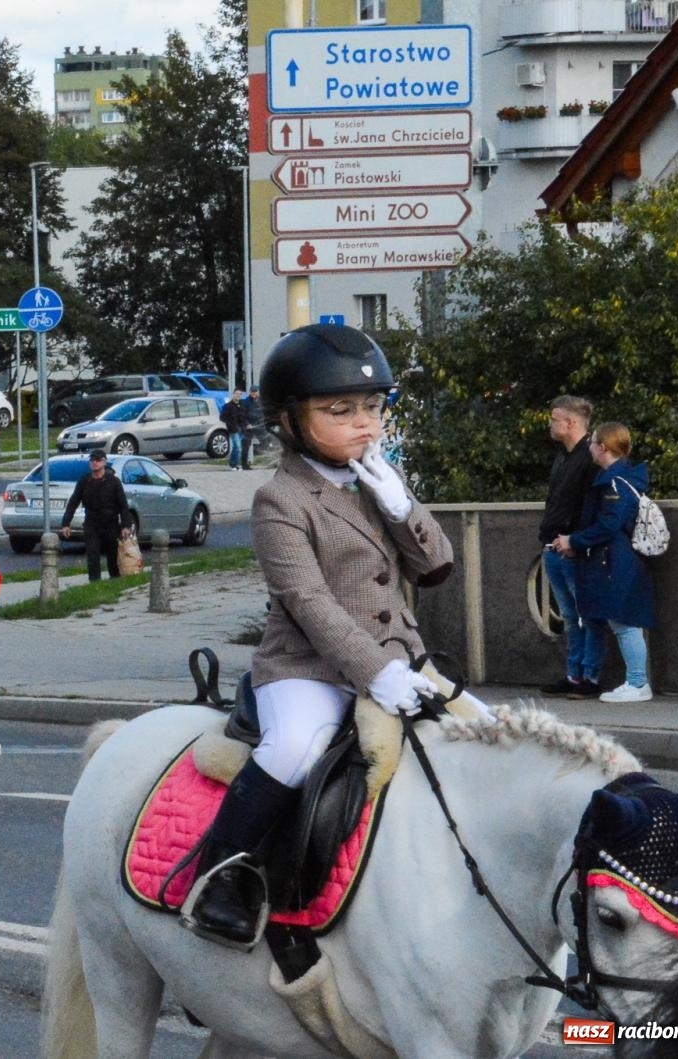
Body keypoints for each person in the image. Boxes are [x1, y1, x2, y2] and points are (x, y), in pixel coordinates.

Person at [184, 324, 454, 947]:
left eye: (373, 408)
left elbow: (436, 567)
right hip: (307, 670)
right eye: (341, 411)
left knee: (487, 736)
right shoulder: (279, 500)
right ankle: (220, 877)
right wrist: (377, 674)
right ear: (289, 420)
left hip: (403, 661)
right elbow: (309, 603)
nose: (365, 425)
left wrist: (402, 507)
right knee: (296, 749)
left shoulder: (375, 480)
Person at [553, 421, 655, 703]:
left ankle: (638, 683)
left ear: (603, 447)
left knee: (625, 624)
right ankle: (636, 681)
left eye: (593, 442)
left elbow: (609, 525)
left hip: (615, 560)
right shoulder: (621, 478)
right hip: (616, 559)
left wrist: (574, 541)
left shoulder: (614, 482)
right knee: (623, 622)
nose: (589, 447)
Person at [538, 396, 601, 699]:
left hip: (573, 547)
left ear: (570, 422)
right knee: (569, 615)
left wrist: (576, 540)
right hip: (553, 544)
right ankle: (573, 674)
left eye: (554, 420)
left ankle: (590, 675)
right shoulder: (563, 457)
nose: (550, 425)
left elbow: (591, 505)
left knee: (587, 614)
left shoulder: (588, 457)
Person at [59, 449, 132, 581]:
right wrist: (65, 523)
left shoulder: (113, 481)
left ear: (104, 462)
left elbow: (123, 505)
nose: (94, 463)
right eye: (92, 460)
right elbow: (73, 502)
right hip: (92, 524)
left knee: (113, 556)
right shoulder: (84, 481)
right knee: (92, 555)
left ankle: (115, 581)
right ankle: (94, 583)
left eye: (98, 460)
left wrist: (126, 526)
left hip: (110, 524)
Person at [220, 389, 248, 470]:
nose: (238, 395)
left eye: (240, 394)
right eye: (237, 394)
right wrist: (230, 424)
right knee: (238, 447)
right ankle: (234, 465)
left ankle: (233, 463)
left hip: (241, 429)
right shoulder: (228, 406)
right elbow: (222, 417)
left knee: (236, 447)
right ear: (233, 394)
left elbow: (244, 416)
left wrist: (246, 424)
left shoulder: (242, 405)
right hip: (233, 429)